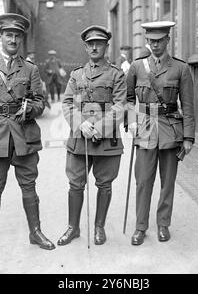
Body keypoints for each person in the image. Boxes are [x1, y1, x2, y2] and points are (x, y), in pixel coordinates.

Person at [0, 13, 55, 258]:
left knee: (29, 186)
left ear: (21, 39)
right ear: (1, 37)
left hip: (23, 136)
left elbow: (41, 102)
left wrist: (30, 110)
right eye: (9, 34)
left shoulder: (30, 69)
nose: (13, 39)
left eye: (18, 35)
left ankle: (35, 232)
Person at [126, 21, 195, 246]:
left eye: (159, 41)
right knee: (143, 182)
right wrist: (131, 121)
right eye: (151, 41)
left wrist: (188, 137)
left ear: (167, 40)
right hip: (144, 129)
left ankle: (163, 224)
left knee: (168, 182)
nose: (155, 45)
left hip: (170, 131)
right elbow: (127, 100)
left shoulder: (180, 68)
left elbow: (188, 105)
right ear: (147, 41)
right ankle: (140, 227)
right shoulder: (137, 67)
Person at [58, 25, 126, 246]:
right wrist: (81, 124)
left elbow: (120, 105)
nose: (95, 47)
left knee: (104, 184)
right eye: (90, 43)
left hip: (107, 139)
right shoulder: (76, 74)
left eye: (99, 43)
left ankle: (99, 227)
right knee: (75, 183)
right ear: (86, 47)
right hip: (80, 138)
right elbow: (68, 103)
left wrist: (98, 128)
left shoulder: (116, 74)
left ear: (106, 46)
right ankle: (73, 228)